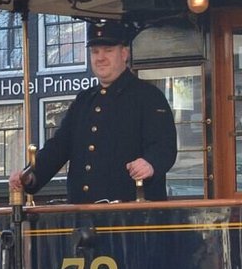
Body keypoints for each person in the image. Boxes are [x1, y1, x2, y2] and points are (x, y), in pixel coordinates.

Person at [9, 21, 178, 203]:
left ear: (124, 53)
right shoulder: (84, 100)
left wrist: (150, 164)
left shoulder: (148, 96)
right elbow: (58, 147)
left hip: (131, 218)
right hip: (84, 216)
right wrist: (30, 174)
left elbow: (164, 146)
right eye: (95, 52)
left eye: (108, 50)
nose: (100, 57)